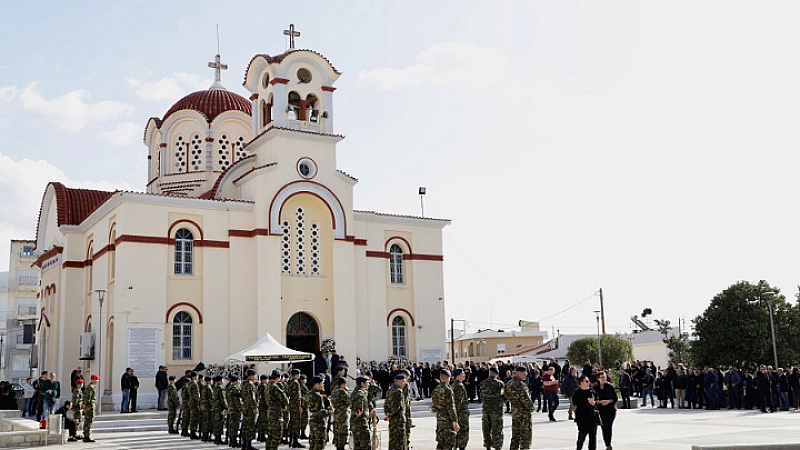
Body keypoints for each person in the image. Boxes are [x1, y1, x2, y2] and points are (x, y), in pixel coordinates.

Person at [505, 366, 533, 450]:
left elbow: (504, 394)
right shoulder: (521, 384)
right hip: (524, 413)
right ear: (519, 373)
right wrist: (531, 408)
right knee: (525, 436)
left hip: (515, 412)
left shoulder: (509, 383)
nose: (526, 375)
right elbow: (526, 399)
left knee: (515, 436)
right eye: (524, 373)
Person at [431, 369, 459, 450]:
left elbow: (434, 407)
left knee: (441, 443)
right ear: (448, 378)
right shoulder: (447, 390)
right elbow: (451, 407)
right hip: (447, 419)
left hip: (439, 419)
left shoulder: (435, 390)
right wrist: (455, 421)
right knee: (448, 443)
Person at [479, 366, 504, 450]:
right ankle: (497, 446)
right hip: (496, 409)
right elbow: (504, 395)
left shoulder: (482, 383)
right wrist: (500, 402)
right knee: (496, 428)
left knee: (486, 428)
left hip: (486, 409)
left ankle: (487, 446)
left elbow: (482, 395)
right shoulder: (500, 384)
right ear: (497, 374)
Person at [350, 376, 375, 450]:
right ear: (362, 383)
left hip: (356, 422)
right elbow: (359, 408)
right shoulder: (361, 393)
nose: (368, 385)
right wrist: (359, 411)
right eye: (367, 383)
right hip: (361, 423)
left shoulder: (356, 391)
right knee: (365, 445)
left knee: (357, 446)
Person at [594, 370, 617, 450]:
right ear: (598, 378)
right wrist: (600, 402)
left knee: (608, 427)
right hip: (600, 411)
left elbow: (615, 398)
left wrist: (608, 401)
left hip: (610, 410)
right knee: (603, 428)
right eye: (602, 377)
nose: (604, 379)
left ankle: (608, 444)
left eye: (604, 377)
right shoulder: (595, 388)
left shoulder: (610, 387)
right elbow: (593, 399)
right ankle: (607, 443)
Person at [383, 373, 407, 450]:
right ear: (398, 381)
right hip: (398, 420)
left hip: (392, 420)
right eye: (403, 381)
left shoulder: (389, 391)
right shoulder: (398, 391)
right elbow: (396, 407)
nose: (404, 383)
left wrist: (387, 414)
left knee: (392, 440)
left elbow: (386, 405)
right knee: (400, 441)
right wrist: (389, 415)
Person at [267, 370, 289, 450]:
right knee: (277, 434)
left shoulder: (268, 386)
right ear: (279, 377)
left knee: (271, 433)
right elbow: (284, 398)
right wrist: (285, 404)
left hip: (270, 411)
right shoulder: (274, 387)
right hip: (276, 412)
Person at [307, 376, 331, 450]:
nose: (323, 385)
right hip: (319, 423)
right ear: (317, 384)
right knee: (319, 444)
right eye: (322, 383)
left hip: (312, 421)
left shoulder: (310, 393)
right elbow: (320, 412)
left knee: (312, 444)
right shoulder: (318, 396)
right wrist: (330, 412)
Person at [574, 375, 597, 450]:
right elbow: (575, 402)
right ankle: (579, 448)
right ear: (581, 382)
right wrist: (586, 402)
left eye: (588, 381)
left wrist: (594, 403)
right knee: (582, 434)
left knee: (593, 436)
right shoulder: (577, 392)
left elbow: (596, 399)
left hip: (592, 416)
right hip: (582, 417)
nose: (588, 382)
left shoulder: (592, 391)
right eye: (586, 381)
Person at [452, 368, 470, 450]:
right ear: (458, 376)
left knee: (456, 434)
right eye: (462, 373)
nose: (464, 375)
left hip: (458, 414)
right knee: (463, 433)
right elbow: (458, 402)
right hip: (461, 415)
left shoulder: (453, 385)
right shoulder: (459, 386)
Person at [286, 368, 304, 448]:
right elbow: (297, 396)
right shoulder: (296, 383)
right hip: (295, 405)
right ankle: (295, 441)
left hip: (291, 404)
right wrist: (299, 406)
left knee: (292, 422)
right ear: (296, 375)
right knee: (296, 423)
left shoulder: (289, 382)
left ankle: (290, 440)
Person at [331, 377, 350, 450]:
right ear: (343, 384)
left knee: (337, 430)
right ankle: (342, 446)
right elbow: (349, 402)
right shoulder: (342, 391)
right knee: (343, 431)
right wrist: (347, 391)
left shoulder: (334, 390)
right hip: (343, 413)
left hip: (336, 413)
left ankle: (337, 445)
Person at [241, 368, 258, 450]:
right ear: (251, 376)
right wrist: (254, 407)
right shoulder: (250, 384)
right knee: (250, 426)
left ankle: (244, 445)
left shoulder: (243, 383)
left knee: (245, 426)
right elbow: (252, 397)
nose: (256, 376)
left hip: (245, 406)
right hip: (250, 408)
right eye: (255, 375)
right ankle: (248, 445)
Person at [82, 374, 99, 443]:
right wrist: (87, 405)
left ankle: (86, 435)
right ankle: (86, 436)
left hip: (89, 406)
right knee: (89, 420)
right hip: (90, 406)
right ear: (93, 380)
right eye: (97, 380)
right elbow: (88, 398)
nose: (97, 381)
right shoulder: (91, 387)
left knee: (88, 420)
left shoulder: (90, 387)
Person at [211, 376, 227, 445]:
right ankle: (218, 439)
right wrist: (226, 407)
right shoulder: (220, 388)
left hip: (215, 407)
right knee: (219, 423)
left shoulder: (214, 387)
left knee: (216, 423)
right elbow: (223, 399)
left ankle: (216, 438)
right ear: (220, 381)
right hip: (219, 408)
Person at [228, 375, 243, 448]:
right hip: (235, 410)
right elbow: (238, 401)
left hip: (231, 408)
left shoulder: (229, 388)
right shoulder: (235, 389)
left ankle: (232, 441)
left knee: (232, 425)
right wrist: (241, 409)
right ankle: (234, 441)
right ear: (236, 381)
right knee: (235, 426)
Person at [200, 376, 213, 441]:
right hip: (208, 406)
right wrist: (212, 406)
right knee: (207, 421)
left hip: (204, 405)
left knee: (205, 421)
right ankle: (205, 436)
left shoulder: (203, 387)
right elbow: (210, 398)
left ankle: (204, 436)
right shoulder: (208, 388)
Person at [257, 374, 269, 443]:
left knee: (261, 420)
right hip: (264, 405)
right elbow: (266, 397)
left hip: (261, 405)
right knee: (263, 421)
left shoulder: (260, 385)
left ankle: (260, 435)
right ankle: (262, 435)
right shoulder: (264, 386)